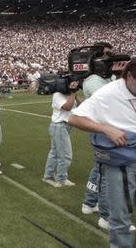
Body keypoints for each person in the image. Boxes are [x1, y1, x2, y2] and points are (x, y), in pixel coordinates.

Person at [69, 58, 136, 248]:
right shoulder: (107, 94)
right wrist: (106, 129)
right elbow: (74, 119)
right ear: (130, 76)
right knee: (120, 216)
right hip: (119, 160)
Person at [80, 41, 113, 229]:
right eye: (107, 55)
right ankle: (106, 214)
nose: (111, 59)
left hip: (105, 129)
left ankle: (90, 202)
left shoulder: (104, 77)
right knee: (110, 172)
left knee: (99, 169)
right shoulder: (93, 80)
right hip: (104, 130)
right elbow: (110, 102)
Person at [42, 80, 82, 187]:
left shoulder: (70, 94)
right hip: (59, 126)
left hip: (64, 127)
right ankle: (61, 178)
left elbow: (82, 105)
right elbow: (67, 107)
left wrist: (75, 93)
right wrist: (73, 93)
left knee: (54, 152)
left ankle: (48, 175)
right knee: (65, 154)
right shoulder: (57, 95)